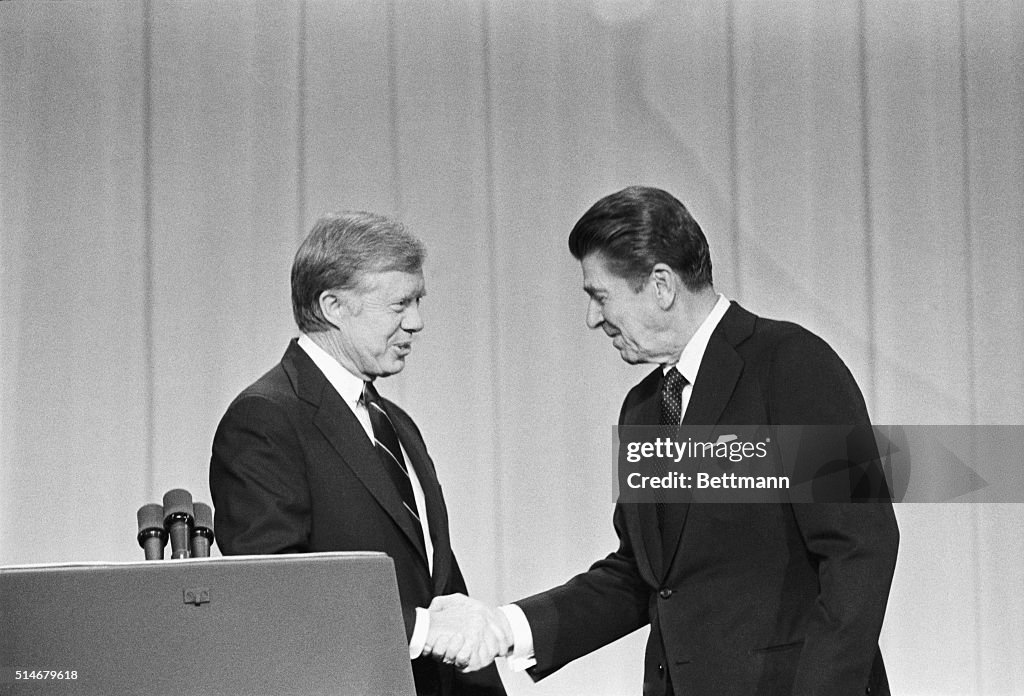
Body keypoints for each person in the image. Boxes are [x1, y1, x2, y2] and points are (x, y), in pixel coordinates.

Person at [423, 186, 900, 696]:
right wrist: (505, 628)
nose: (592, 318)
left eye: (599, 295)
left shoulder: (794, 365)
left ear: (661, 285)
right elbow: (642, 575)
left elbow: (861, 548)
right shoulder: (643, 411)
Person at [209, 211, 506, 696]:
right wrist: (423, 631)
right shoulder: (265, 419)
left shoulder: (394, 422)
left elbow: (437, 580)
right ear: (333, 306)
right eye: (400, 304)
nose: (417, 322)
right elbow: (273, 591)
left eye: (419, 301)